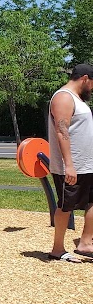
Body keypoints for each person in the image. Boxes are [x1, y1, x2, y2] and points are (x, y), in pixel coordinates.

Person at [47, 64, 93, 263]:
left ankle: (85, 243)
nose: (92, 89)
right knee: (66, 205)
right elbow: (61, 131)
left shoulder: (78, 100)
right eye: (92, 84)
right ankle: (57, 249)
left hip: (88, 164)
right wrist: (70, 165)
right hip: (72, 166)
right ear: (85, 79)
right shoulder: (63, 97)